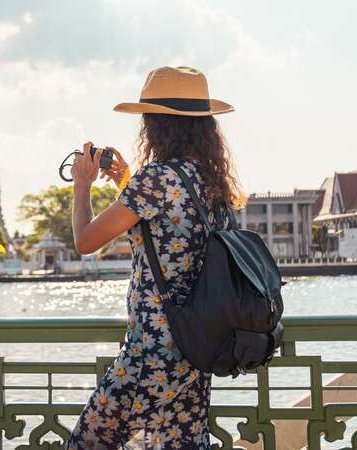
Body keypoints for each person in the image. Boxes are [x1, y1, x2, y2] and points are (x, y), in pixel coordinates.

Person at [66, 66, 243, 449]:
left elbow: (85, 241)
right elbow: (167, 228)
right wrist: (124, 180)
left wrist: (82, 185)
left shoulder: (156, 181)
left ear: (156, 126)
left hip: (151, 351)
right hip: (196, 347)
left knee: (88, 442)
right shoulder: (210, 182)